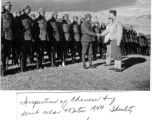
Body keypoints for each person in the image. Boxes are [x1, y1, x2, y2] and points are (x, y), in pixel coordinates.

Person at [1, 1, 15, 76]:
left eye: (10, 6)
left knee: (7, 53)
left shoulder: (11, 15)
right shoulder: (1, 15)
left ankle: (6, 69)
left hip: (10, 36)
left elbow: (12, 27)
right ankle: (2, 70)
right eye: (9, 6)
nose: (10, 7)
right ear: (5, 6)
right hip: (3, 37)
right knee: (2, 54)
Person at [20, 5, 33, 72]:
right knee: (23, 53)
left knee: (26, 53)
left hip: (29, 37)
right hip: (23, 37)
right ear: (24, 10)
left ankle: (25, 66)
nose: (29, 10)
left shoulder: (29, 18)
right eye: (28, 9)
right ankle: (22, 68)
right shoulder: (21, 18)